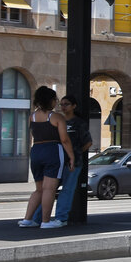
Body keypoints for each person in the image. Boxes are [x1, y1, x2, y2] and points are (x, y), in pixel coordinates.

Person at [18, 86, 74, 230]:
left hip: (36, 150)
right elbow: (65, 140)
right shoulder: (56, 117)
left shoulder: (32, 116)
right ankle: (45, 220)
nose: (56, 102)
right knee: (49, 189)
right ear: (50, 101)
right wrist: (72, 157)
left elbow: (32, 135)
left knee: (39, 189)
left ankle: (27, 219)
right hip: (53, 150)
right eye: (55, 99)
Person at [38, 94, 92, 226]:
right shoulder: (57, 119)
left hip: (73, 161)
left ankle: (61, 218)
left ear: (74, 106)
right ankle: (38, 217)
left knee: (67, 189)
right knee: (48, 189)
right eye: (61, 104)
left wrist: (76, 152)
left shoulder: (78, 123)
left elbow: (88, 142)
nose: (63, 107)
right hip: (56, 160)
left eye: (66, 104)